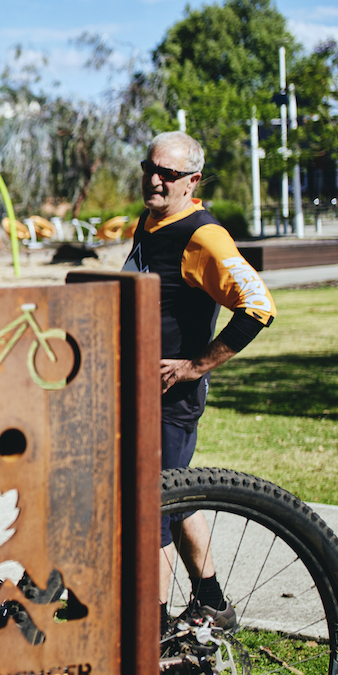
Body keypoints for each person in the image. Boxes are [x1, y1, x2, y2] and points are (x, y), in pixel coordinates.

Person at [122, 131, 275, 630]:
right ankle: (211, 600)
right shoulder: (149, 221)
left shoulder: (202, 234)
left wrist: (193, 366)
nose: (155, 179)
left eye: (168, 173)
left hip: (171, 398)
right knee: (179, 493)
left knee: (156, 510)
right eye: (151, 167)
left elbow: (259, 307)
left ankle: (156, 629)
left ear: (192, 181)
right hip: (137, 393)